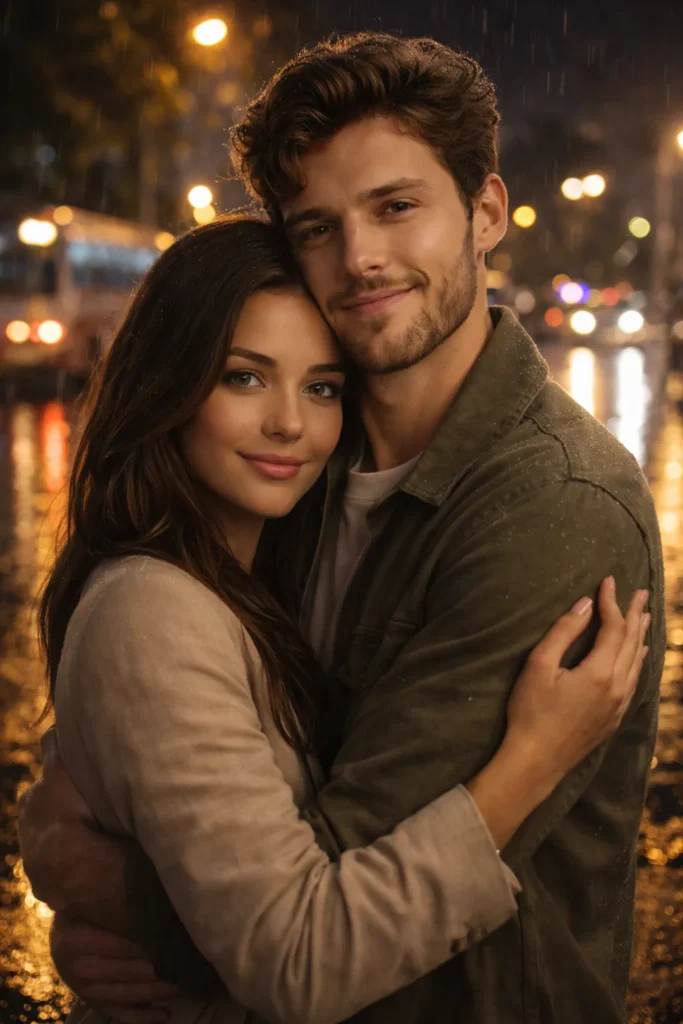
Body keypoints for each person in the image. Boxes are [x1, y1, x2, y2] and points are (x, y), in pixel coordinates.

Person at [19, 31, 664, 1024]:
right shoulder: (299, 466)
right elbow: (173, 757)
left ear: (483, 213)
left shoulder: (550, 507)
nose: (358, 258)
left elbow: (314, 906)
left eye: (395, 207)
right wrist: (63, 821)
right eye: (316, 226)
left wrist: (102, 884)